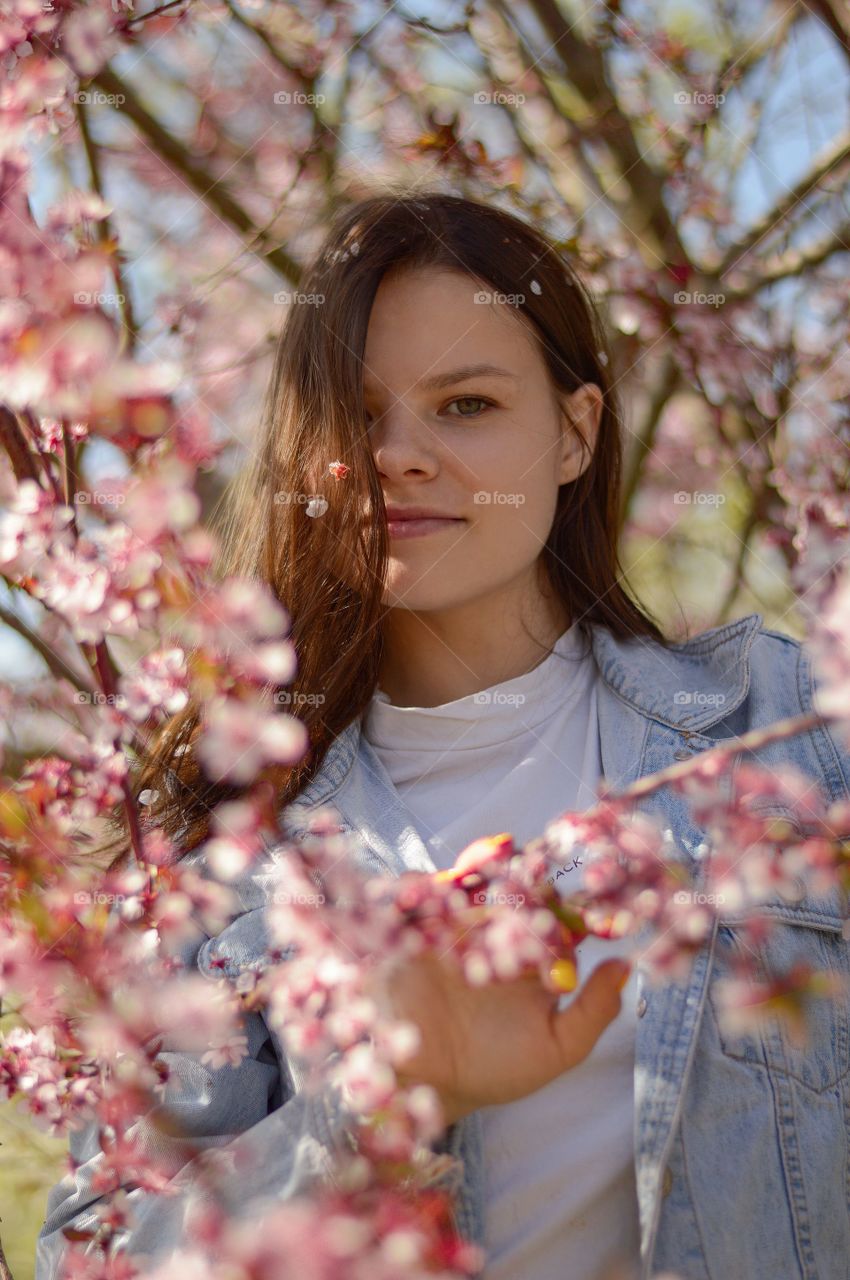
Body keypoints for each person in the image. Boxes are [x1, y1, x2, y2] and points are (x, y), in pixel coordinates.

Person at [37, 191, 850, 1280]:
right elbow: (95, 1254)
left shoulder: (788, 728)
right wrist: (367, 1116)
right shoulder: (219, 862)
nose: (400, 455)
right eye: (357, 413)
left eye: (464, 404)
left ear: (574, 432)